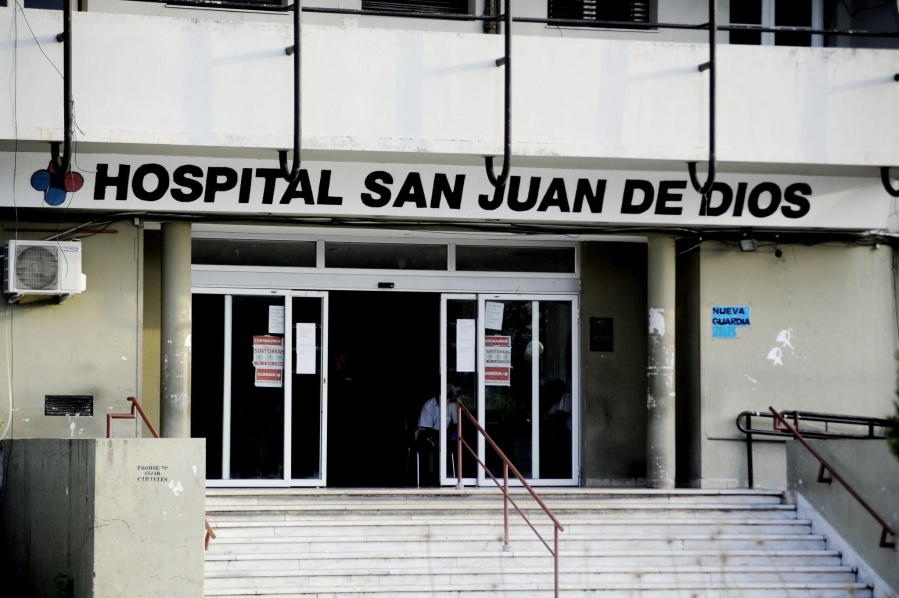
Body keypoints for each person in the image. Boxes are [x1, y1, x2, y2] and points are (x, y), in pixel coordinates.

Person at [414, 386, 460, 486]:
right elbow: (428, 430)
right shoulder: (429, 405)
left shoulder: (451, 405)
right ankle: (430, 479)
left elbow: (456, 425)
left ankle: (452, 477)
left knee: (457, 444)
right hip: (425, 434)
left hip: (442, 434)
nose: (446, 397)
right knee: (432, 446)